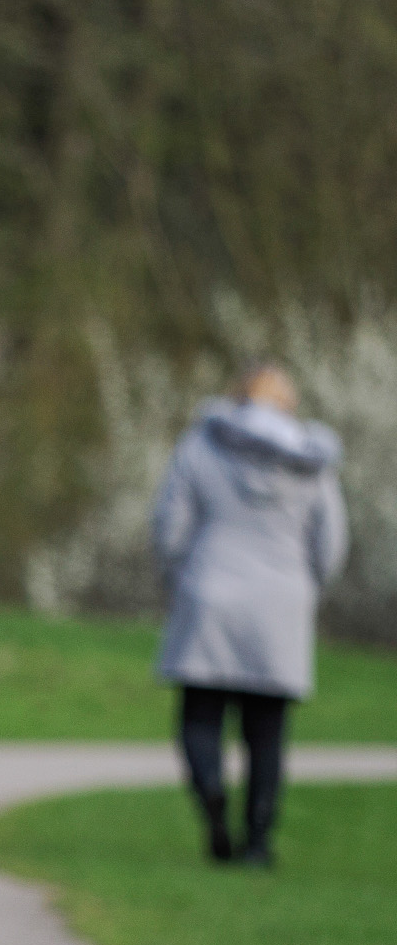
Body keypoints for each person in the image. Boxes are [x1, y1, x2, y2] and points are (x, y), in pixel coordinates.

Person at [152, 362, 347, 866]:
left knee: (199, 717)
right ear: (289, 402)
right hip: (281, 601)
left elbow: (171, 523)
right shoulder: (310, 459)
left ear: (236, 395)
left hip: (210, 593)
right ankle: (258, 842)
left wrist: (180, 574)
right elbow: (330, 542)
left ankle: (213, 797)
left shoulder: (203, 443)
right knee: (266, 732)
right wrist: (304, 586)